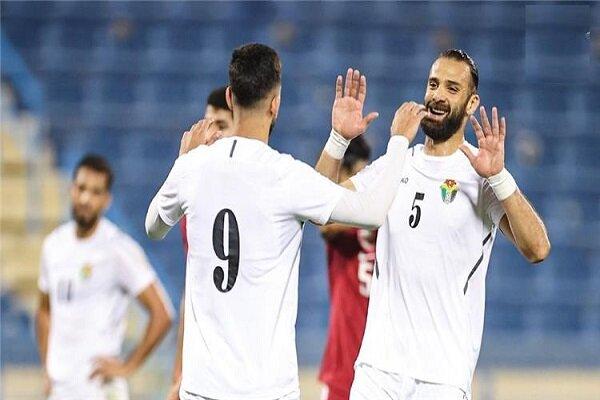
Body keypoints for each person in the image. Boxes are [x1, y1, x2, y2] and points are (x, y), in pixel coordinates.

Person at [145, 43, 427, 400]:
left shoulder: (193, 167)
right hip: (268, 390)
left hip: (203, 389)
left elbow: (154, 227)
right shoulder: (285, 175)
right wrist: (400, 140)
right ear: (275, 104)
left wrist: (181, 162)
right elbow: (371, 212)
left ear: (230, 97)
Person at [316, 49, 551, 400]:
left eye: (452, 88)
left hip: (442, 378)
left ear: (472, 103)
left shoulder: (481, 175)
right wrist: (338, 139)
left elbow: (538, 249)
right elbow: (319, 207)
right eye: (434, 84)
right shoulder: (396, 163)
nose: (438, 95)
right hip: (378, 371)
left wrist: (500, 177)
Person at [36, 154, 173, 400]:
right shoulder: (53, 245)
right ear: (71, 189)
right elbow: (44, 310)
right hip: (60, 390)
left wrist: (128, 366)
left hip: (100, 390)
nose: (86, 199)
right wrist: (48, 366)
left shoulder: (118, 249)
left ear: (107, 200)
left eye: (96, 192)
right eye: (81, 188)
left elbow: (162, 314)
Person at [168, 86, 235, 400]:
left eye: (221, 125)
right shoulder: (195, 198)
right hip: (204, 369)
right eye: (207, 125)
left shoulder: (262, 188)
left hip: (247, 367)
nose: (211, 135)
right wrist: (178, 370)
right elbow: (192, 288)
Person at [318, 136, 376, 400]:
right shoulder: (343, 224)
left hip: (383, 372)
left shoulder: (386, 216)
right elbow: (324, 224)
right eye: (355, 176)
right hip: (343, 370)